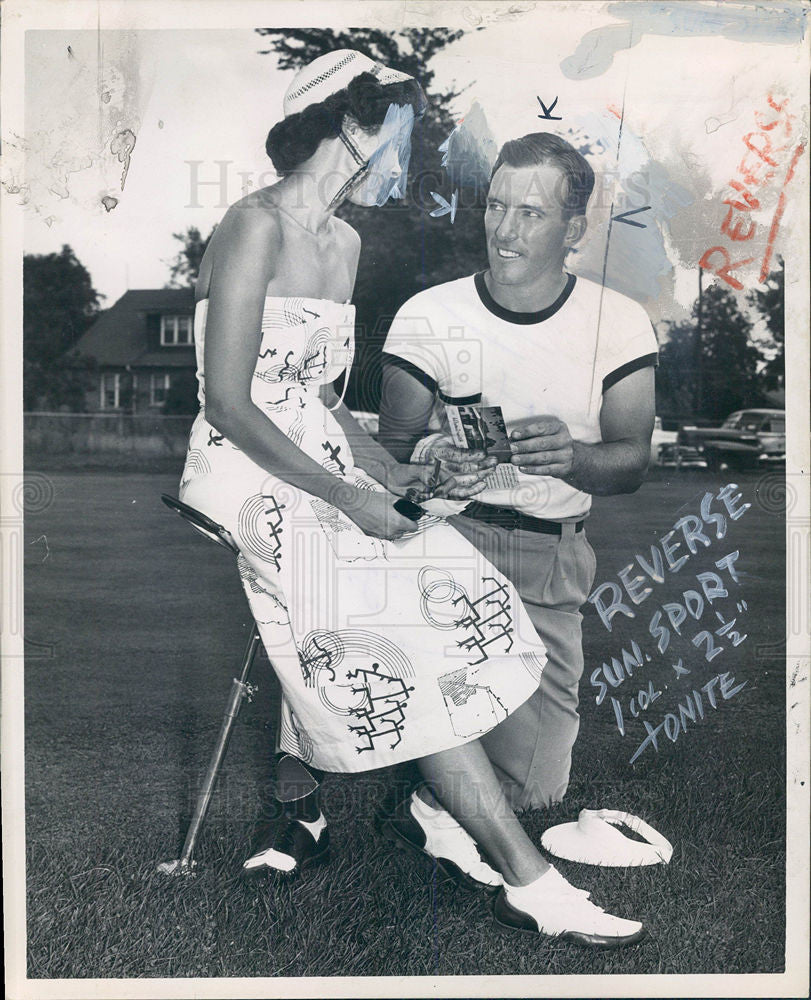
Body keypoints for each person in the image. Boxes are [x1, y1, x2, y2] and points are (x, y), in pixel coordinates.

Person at [179, 55, 645, 945]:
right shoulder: (253, 226)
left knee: (445, 581)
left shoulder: (345, 244)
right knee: (383, 616)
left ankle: (432, 818)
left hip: (305, 453)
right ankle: (531, 878)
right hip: (235, 462)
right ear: (355, 125)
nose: (412, 154)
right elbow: (231, 404)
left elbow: (315, 405)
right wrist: (353, 502)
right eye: (402, 131)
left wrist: (400, 471)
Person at [379, 131, 658, 813]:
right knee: (420, 707)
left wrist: (575, 458)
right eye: (495, 207)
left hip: (550, 554)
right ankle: (427, 775)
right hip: (447, 543)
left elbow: (631, 461)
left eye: (529, 214)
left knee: (535, 792)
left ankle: (438, 794)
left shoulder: (616, 323)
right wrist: (430, 458)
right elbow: (390, 446)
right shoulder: (429, 313)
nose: (503, 231)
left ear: (574, 229)